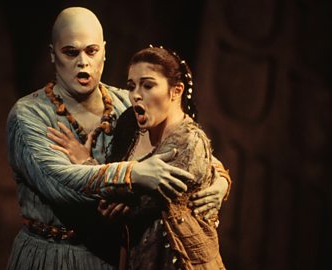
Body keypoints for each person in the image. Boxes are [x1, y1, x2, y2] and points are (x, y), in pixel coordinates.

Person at [6, 7, 230, 270]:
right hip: (52, 257)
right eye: (71, 52)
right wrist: (132, 176)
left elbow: (184, 150)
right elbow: (61, 184)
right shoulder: (29, 115)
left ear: (104, 52)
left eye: (91, 51)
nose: (83, 62)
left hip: (114, 257)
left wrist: (219, 180)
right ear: (53, 54)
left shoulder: (126, 103)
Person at [48, 46, 230, 269]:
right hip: (136, 257)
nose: (135, 94)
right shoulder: (130, 124)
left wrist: (87, 164)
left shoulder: (188, 142)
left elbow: (138, 203)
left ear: (176, 91)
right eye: (131, 86)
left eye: (148, 85)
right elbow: (118, 191)